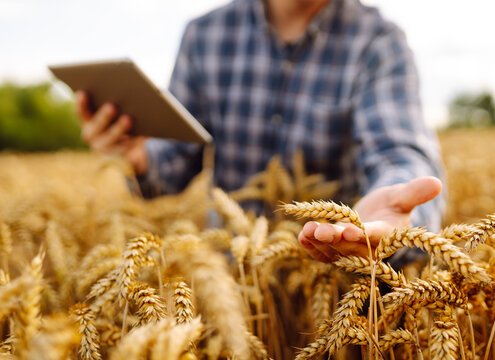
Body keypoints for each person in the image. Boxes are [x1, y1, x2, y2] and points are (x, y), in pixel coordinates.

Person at [76, 0, 446, 266]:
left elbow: (398, 151)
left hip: (339, 286)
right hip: (233, 280)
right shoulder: (204, 36)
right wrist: (134, 153)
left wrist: (401, 212)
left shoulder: (378, 42)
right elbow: (173, 164)